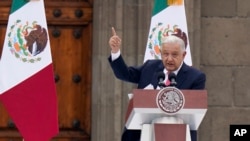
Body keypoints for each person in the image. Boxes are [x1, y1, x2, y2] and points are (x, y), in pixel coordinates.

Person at [108, 27, 206, 141]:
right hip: (141, 134)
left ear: (183, 55)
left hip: (178, 135)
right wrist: (115, 52)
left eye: (174, 55)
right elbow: (124, 74)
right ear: (160, 53)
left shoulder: (196, 77)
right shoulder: (150, 67)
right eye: (165, 54)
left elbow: (194, 109)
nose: (169, 59)